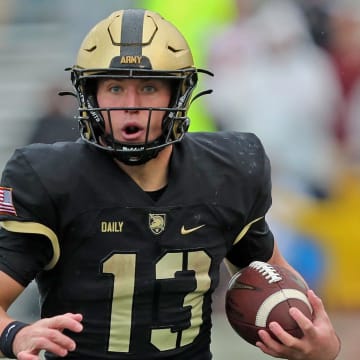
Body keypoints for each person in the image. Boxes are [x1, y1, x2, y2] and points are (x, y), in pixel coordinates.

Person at [0, 8, 340, 360]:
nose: (131, 106)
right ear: (91, 95)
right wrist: (15, 334)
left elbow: (272, 278)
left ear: (178, 94)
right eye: (115, 87)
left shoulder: (228, 171)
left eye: (148, 87)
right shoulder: (50, 177)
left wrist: (318, 344)